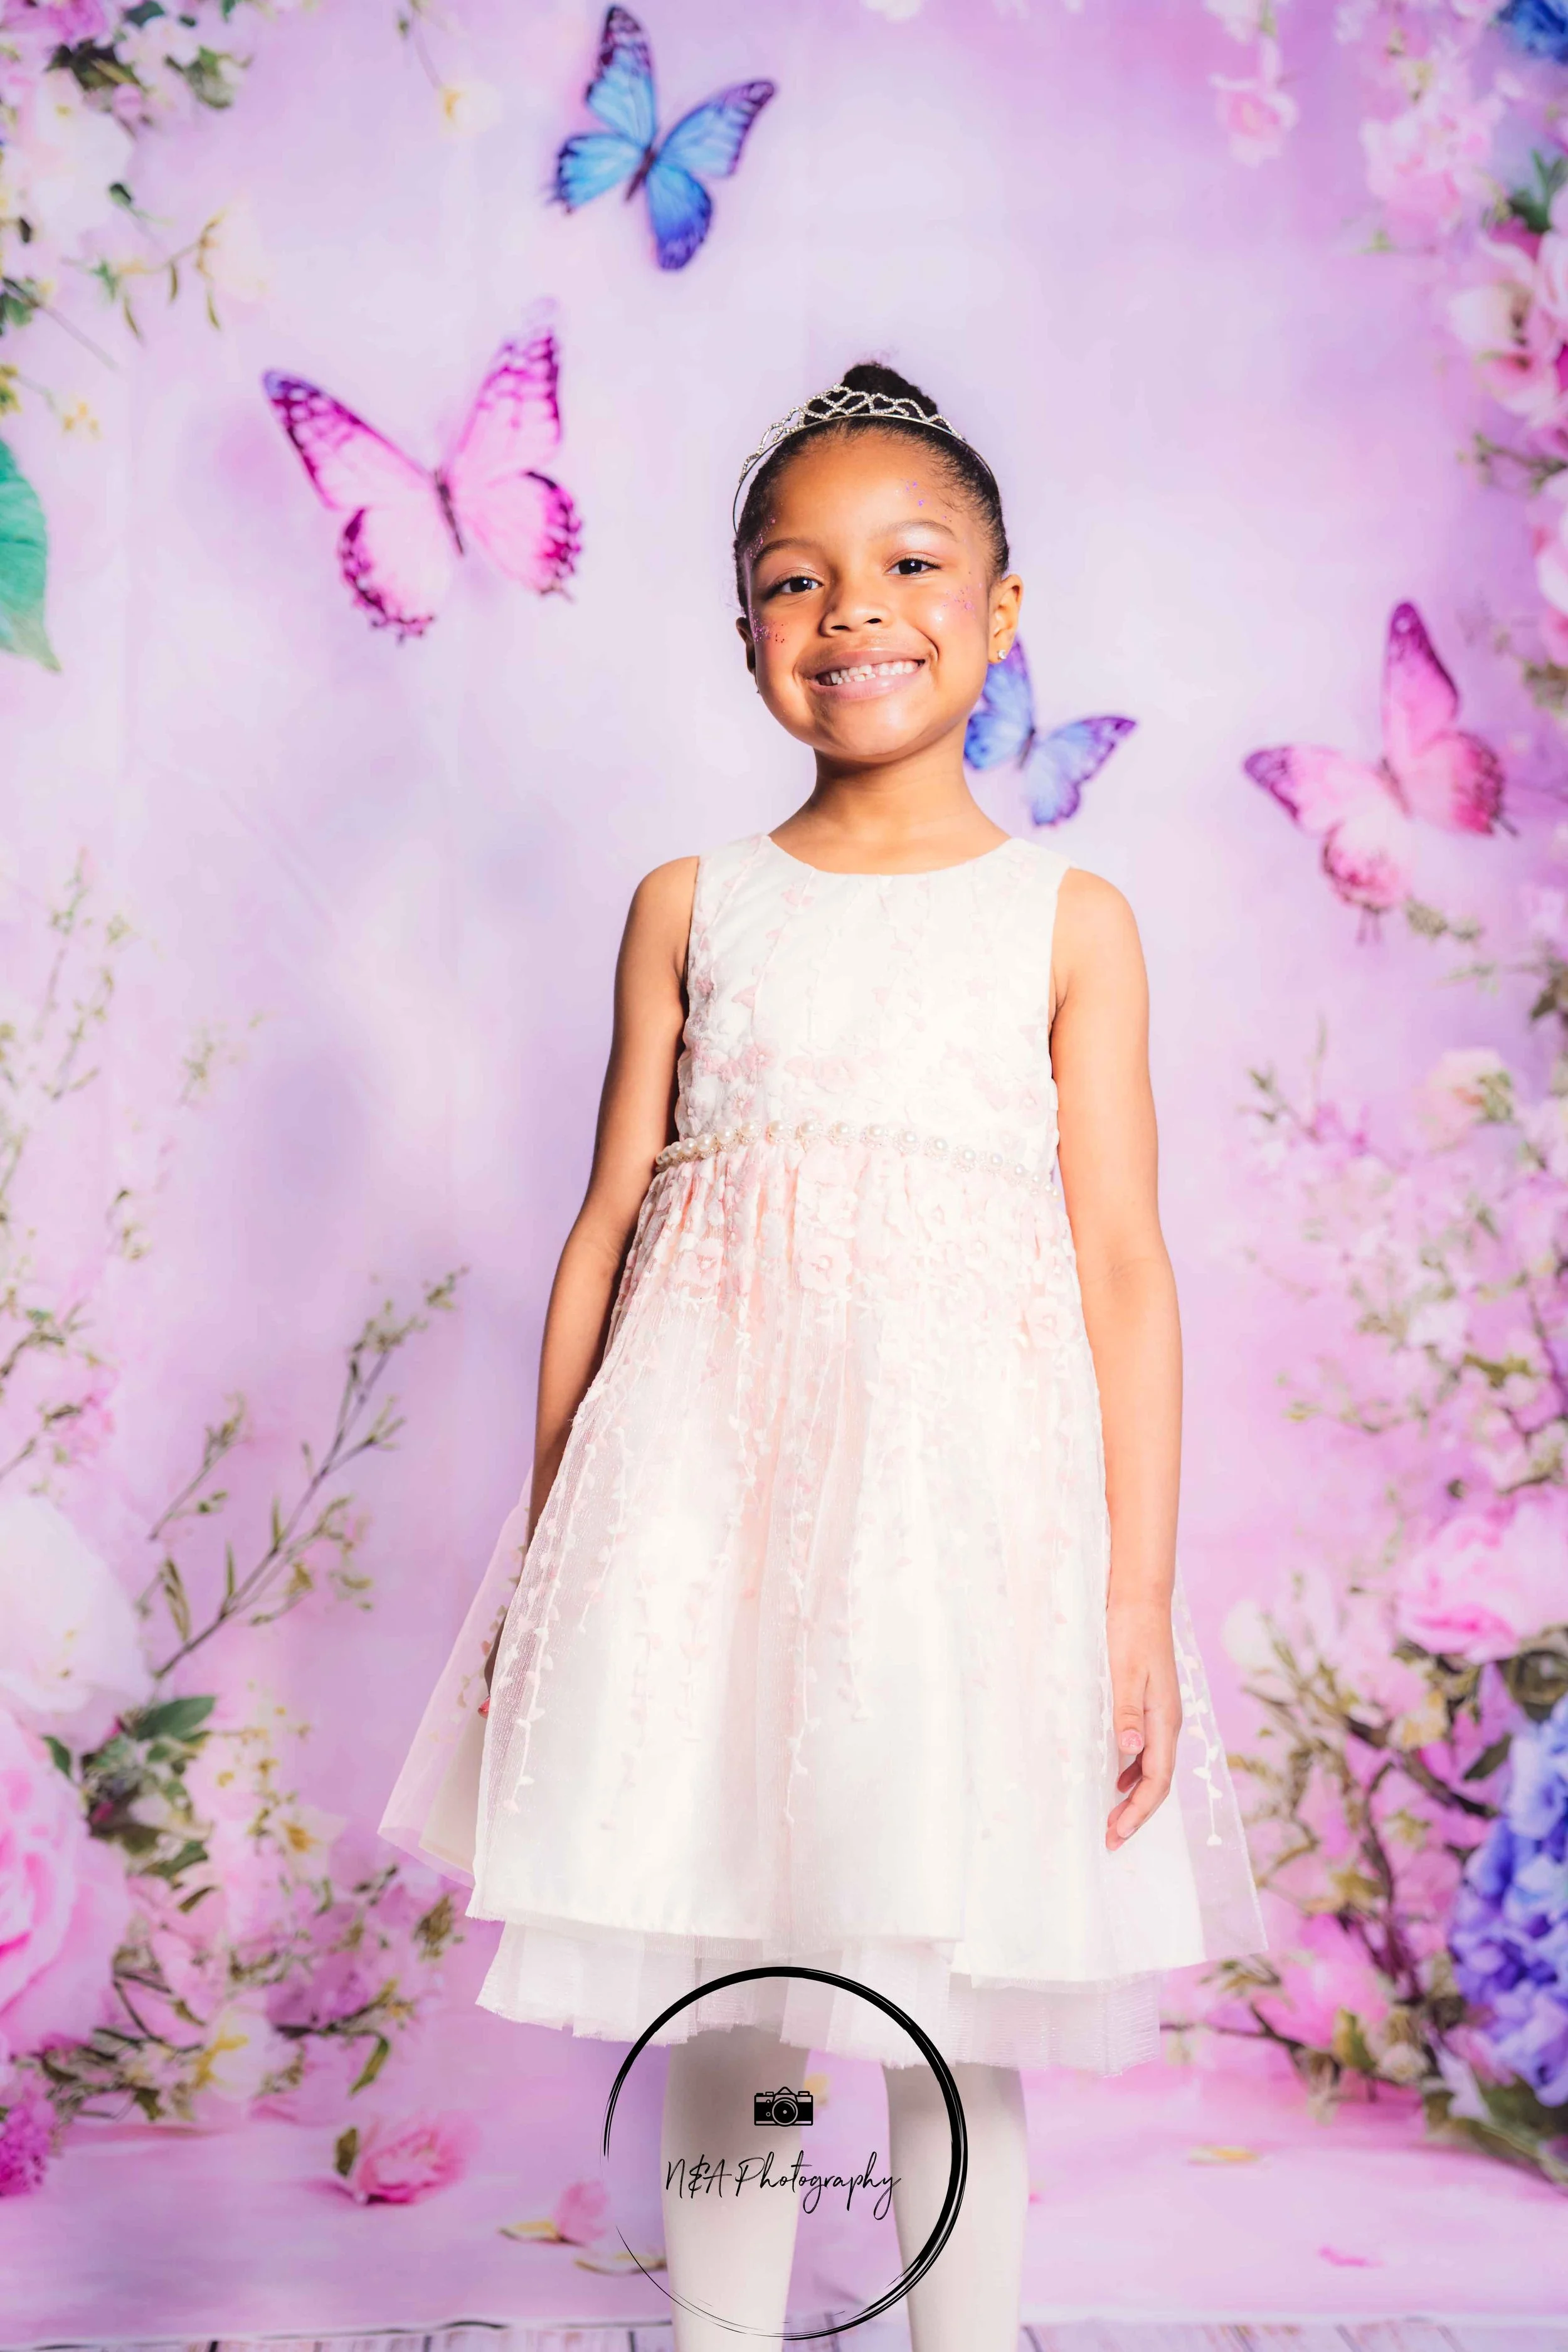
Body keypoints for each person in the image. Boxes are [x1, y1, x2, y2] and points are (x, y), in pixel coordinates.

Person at [381, 362, 1263, 2352]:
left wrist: (1130, 1596)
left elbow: (1124, 1263)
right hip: (705, 1516)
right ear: (745, 634)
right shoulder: (693, 904)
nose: (852, 606)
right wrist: (551, 1550)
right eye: (794, 578)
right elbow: (606, 1226)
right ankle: (720, 2330)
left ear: (1002, 609)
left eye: (910, 563)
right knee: (733, 1969)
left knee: (944, 1982)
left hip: (956, 1537)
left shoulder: (1068, 919)